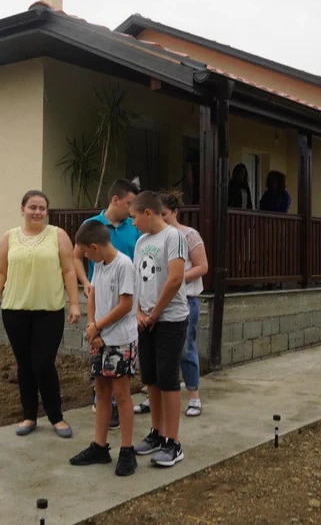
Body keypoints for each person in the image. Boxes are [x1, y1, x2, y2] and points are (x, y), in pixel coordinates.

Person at [0, 190, 81, 438]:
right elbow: (0, 272)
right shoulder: (9, 237)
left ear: (47, 211)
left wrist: (74, 304)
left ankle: (56, 416)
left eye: (42, 208)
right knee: (25, 364)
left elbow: (69, 271)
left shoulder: (58, 235)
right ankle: (29, 416)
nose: (37, 212)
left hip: (49, 310)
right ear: (22, 209)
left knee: (43, 363)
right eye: (32, 207)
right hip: (14, 310)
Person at [68, 220, 138, 476]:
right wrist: (92, 327)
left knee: (122, 395)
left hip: (120, 339)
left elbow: (125, 305)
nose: (85, 257)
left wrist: (98, 326)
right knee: (101, 391)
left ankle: (127, 450)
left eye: (85, 252)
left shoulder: (124, 265)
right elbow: (93, 296)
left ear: (95, 247)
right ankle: (100, 446)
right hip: (99, 337)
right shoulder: (99, 265)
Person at [73, 178, 140, 429]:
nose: (132, 210)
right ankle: (102, 404)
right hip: (99, 302)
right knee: (101, 373)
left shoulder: (134, 227)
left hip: (123, 306)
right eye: (129, 203)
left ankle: (117, 413)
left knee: (120, 378)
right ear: (115, 200)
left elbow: (127, 298)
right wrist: (85, 283)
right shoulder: (92, 226)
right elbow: (77, 257)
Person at [129, 191, 189, 468]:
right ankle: (156, 432)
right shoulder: (142, 241)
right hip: (146, 320)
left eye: (134, 217)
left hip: (170, 320)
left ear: (148, 213)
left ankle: (172, 442)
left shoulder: (173, 237)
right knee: (151, 378)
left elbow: (175, 278)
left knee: (167, 378)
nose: (133, 223)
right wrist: (139, 312)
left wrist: (155, 313)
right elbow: (137, 281)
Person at [159, 191, 209, 417]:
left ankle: (193, 396)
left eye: (165, 214)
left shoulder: (189, 235)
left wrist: (177, 279)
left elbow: (202, 266)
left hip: (185, 300)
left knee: (186, 348)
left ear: (175, 212)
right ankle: (156, 396)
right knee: (159, 350)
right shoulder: (154, 237)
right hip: (159, 301)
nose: (161, 219)